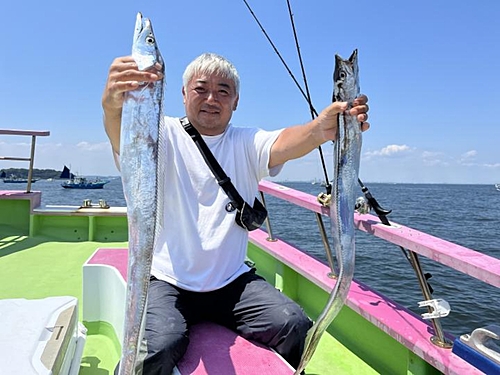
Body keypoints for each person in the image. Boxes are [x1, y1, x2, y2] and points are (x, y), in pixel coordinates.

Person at [102, 52, 370, 375]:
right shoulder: (162, 134)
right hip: (168, 281)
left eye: (223, 91)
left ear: (236, 101)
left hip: (232, 283)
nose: (212, 99)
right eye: (201, 89)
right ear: (184, 94)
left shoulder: (246, 142)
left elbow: (287, 141)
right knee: (157, 347)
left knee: (295, 325)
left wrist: (321, 130)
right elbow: (124, 138)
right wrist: (112, 105)